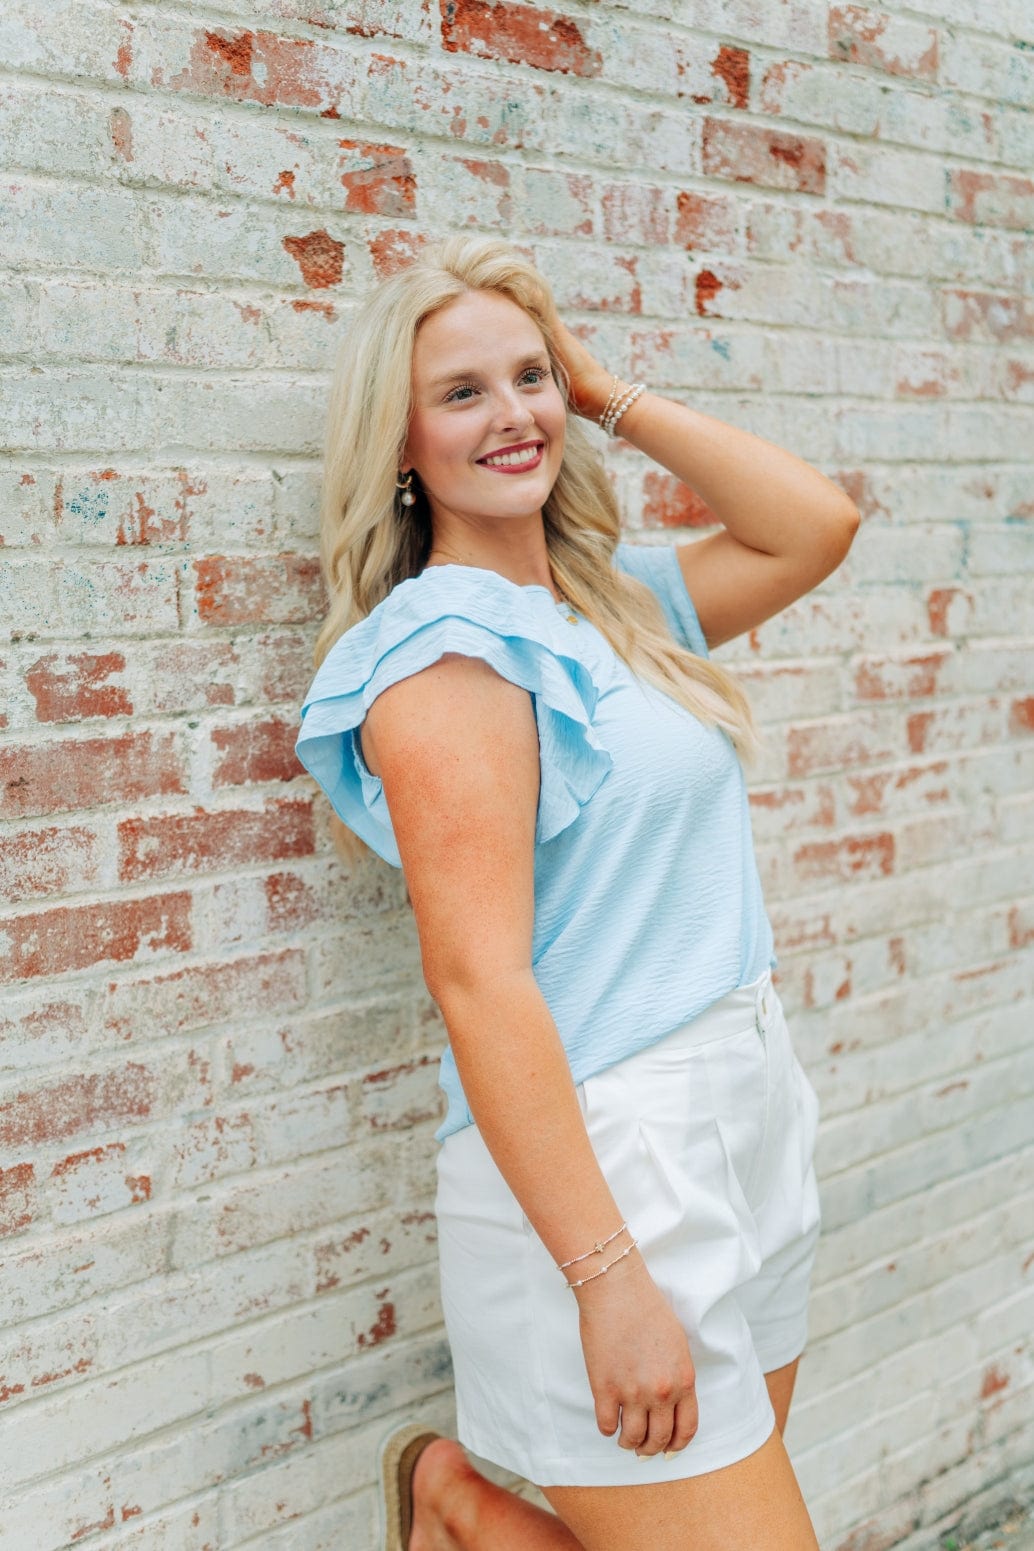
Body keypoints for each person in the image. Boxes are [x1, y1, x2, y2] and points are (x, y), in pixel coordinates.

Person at [296, 234, 859, 1551]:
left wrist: (604, 393)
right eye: (461, 393)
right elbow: (477, 981)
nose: (511, 414)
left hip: (743, 1102)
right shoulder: (446, 659)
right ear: (399, 444)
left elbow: (814, 526)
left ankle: (457, 1512)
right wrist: (607, 1278)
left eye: (529, 377)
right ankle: (460, 1508)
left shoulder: (611, 604)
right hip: (611, 1157)